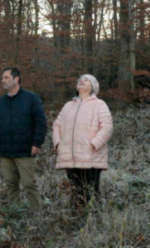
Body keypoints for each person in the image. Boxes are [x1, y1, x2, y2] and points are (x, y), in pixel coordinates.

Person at [0, 67, 47, 212]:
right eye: (2, 78)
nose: (3, 81)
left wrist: (37, 143)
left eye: (6, 77)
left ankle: (36, 216)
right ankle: (16, 215)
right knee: (11, 186)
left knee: (29, 185)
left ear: (16, 79)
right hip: (6, 152)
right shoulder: (0, 102)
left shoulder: (31, 98)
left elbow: (41, 122)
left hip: (25, 151)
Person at [52, 74, 113, 207]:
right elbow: (57, 125)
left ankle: (93, 223)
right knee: (76, 192)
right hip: (70, 157)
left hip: (90, 157)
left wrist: (93, 144)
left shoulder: (99, 104)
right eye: (80, 79)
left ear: (93, 87)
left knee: (91, 193)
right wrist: (58, 145)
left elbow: (107, 127)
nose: (81, 81)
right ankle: (77, 222)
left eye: (86, 80)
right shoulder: (68, 105)